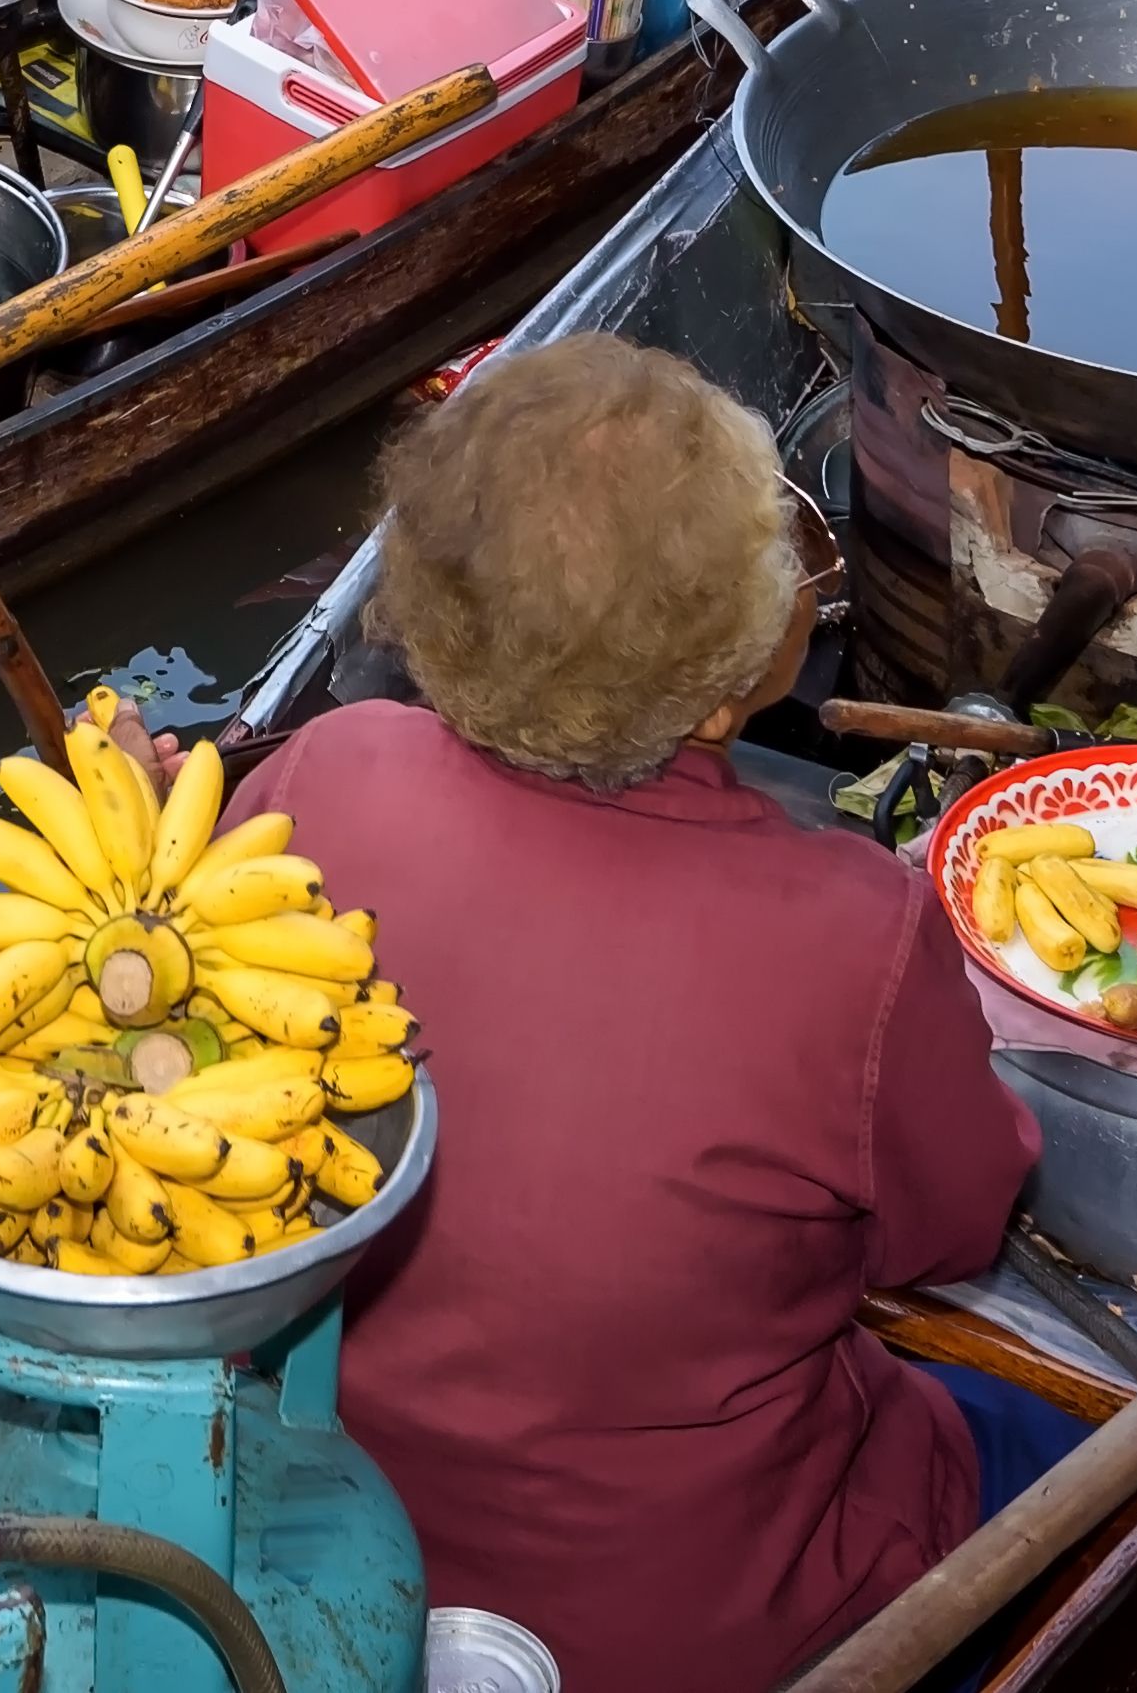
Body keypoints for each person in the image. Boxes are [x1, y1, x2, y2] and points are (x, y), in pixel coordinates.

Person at [239, 341, 1058, 1692]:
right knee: (1052, 1435)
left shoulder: (320, 773)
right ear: (739, 667)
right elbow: (949, 1232)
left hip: (321, 1547)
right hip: (705, 1629)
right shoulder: (854, 930)